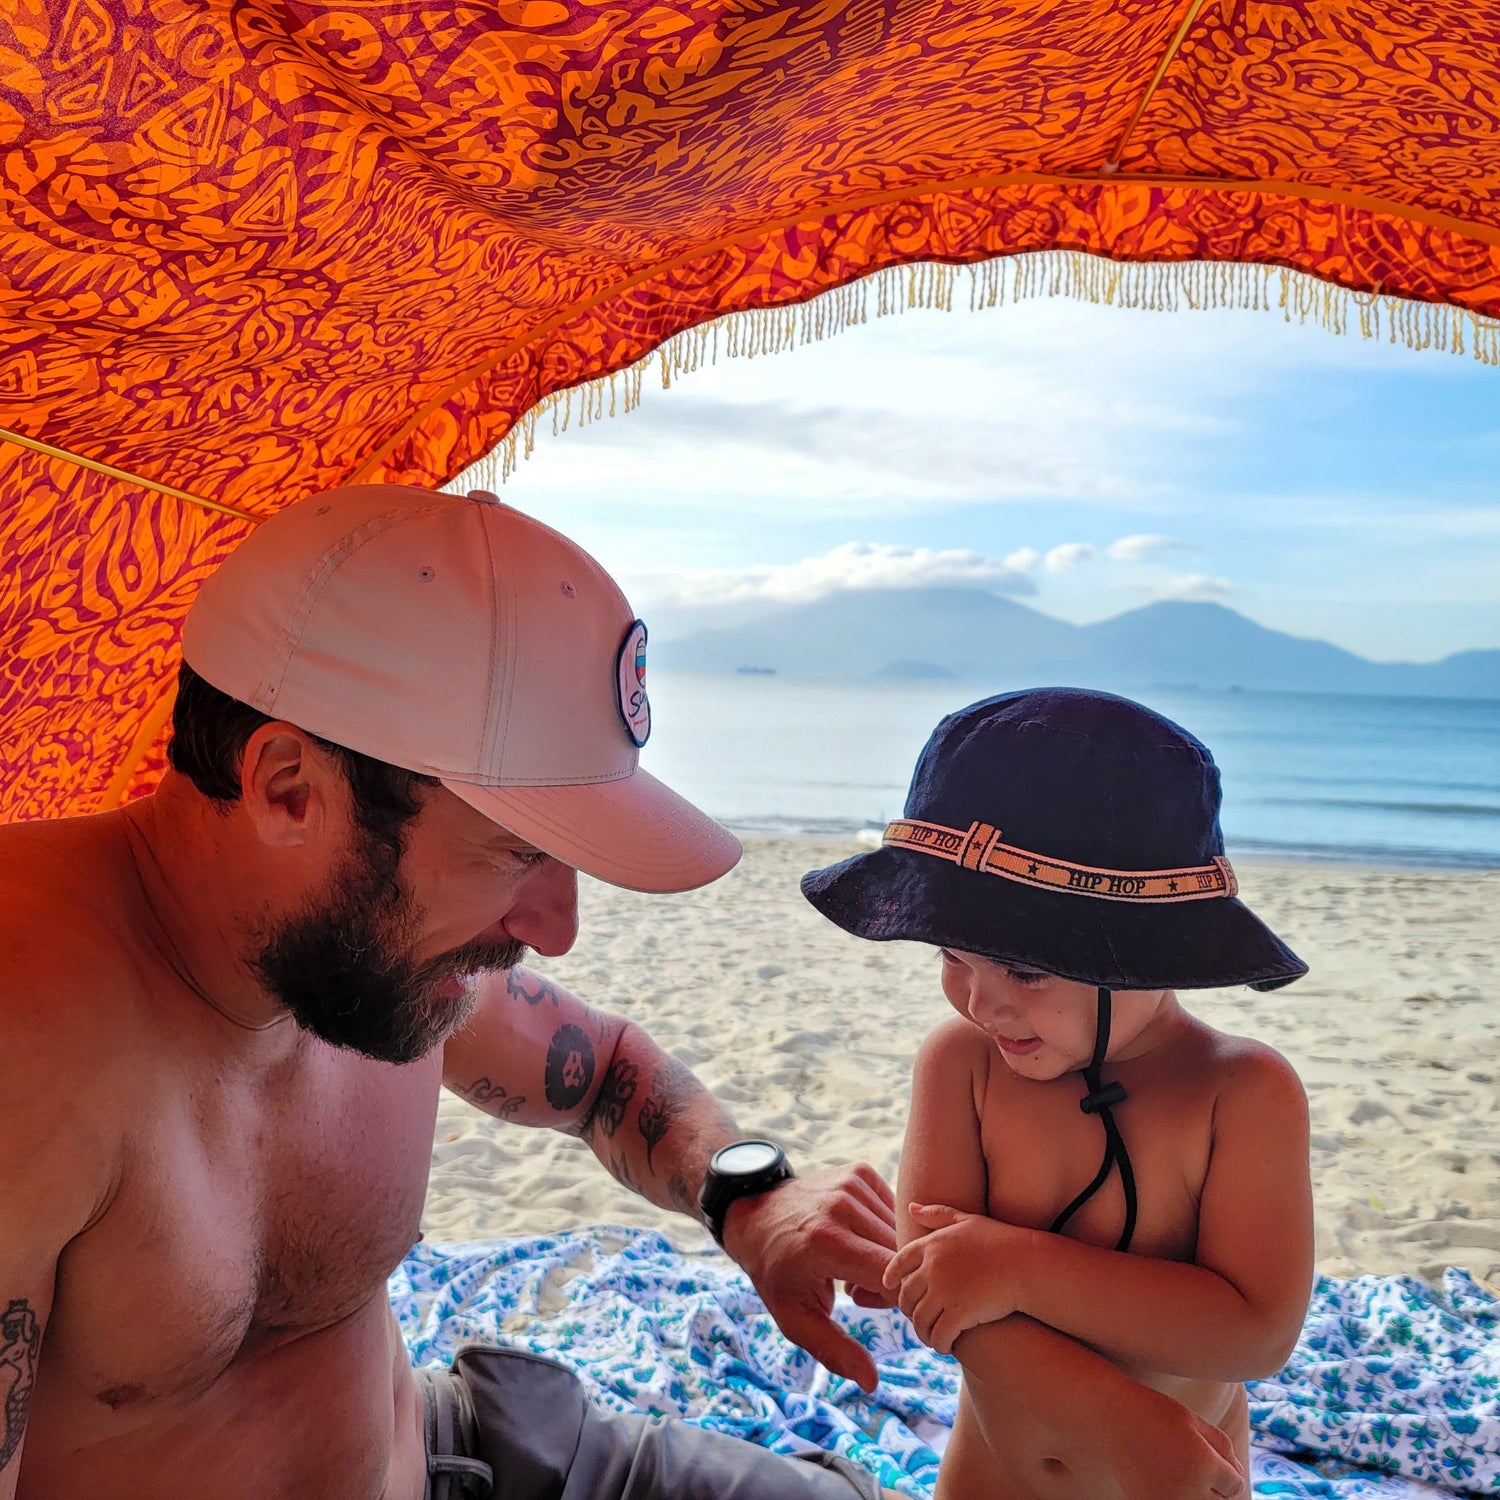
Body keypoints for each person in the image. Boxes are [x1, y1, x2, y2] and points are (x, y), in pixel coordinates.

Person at [0, 485, 1247, 1500]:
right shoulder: (34, 1041)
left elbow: (596, 1074)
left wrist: (753, 1200)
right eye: (514, 856)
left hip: (464, 1454)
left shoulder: (367, 965)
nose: (556, 927)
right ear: (286, 787)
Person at [801, 688, 1315, 1498]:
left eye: (1026, 969)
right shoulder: (963, 1067)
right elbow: (931, 1285)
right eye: (953, 957)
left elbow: (1256, 1331)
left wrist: (1016, 1269)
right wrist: (1116, 1421)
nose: (982, 1002)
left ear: (1149, 949)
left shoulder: (1240, 1092)